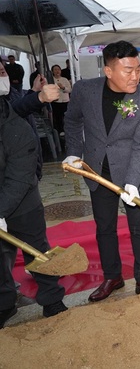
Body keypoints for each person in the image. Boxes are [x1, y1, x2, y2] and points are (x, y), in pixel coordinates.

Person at [63, 40, 140, 301]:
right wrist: (74, 152)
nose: (136, 75)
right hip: (98, 172)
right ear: (108, 71)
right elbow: (72, 120)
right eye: (128, 70)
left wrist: (131, 182)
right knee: (104, 227)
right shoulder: (85, 90)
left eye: (138, 69)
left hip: (134, 173)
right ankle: (112, 276)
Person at [0, 95, 68, 329]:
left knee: (36, 249)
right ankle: (5, 302)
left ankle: (52, 299)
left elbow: (19, 178)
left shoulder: (18, 130)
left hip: (22, 202)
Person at [51, 64, 72, 135]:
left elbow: (69, 90)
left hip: (65, 100)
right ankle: (59, 130)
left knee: (65, 116)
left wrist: (63, 88)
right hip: (55, 101)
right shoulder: (51, 80)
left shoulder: (64, 79)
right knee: (57, 116)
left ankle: (66, 129)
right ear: (52, 71)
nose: (57, 71)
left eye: (58, 69)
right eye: (55, 69)